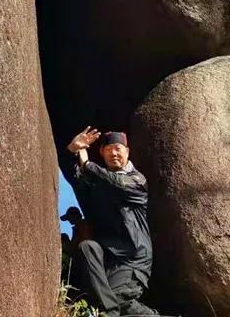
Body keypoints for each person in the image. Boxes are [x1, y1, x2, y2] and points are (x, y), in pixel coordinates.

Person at [60, 127, 159, 317]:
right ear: (102, 153)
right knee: (87, 247)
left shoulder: (136, 180)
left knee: (119, 299)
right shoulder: (97, 181)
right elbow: (74, 176)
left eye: (118, 149)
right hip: (108, 256)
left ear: (127, 152)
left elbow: (116, 183)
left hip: (133, 257)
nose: (113, 153)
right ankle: (110, 312)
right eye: (108, 149)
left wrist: (87, 164)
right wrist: (72, 150)